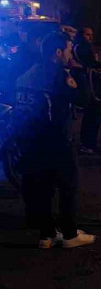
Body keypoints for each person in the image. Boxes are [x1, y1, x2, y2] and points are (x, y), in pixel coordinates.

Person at [14, 32, 95, 248]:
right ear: (58, 52)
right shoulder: (59, 75)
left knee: (43, 189)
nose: (70, 53)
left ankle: (46, 235)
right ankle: (69, 234)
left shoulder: (28, 73)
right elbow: (84, 101)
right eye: (68, 49)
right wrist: (79, 74)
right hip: (58, 141)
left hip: (31, 141)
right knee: (68, 187)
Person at [74, 27, 101, 155]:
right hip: (89, 85)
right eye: (87, 35)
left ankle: (89, 143)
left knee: (92, 115)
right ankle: (88, 144)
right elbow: (90, 63)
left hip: (90, 84)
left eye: (91, 35)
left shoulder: (81, 46)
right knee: (93, 115)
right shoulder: (82, 47)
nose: (90, 37)